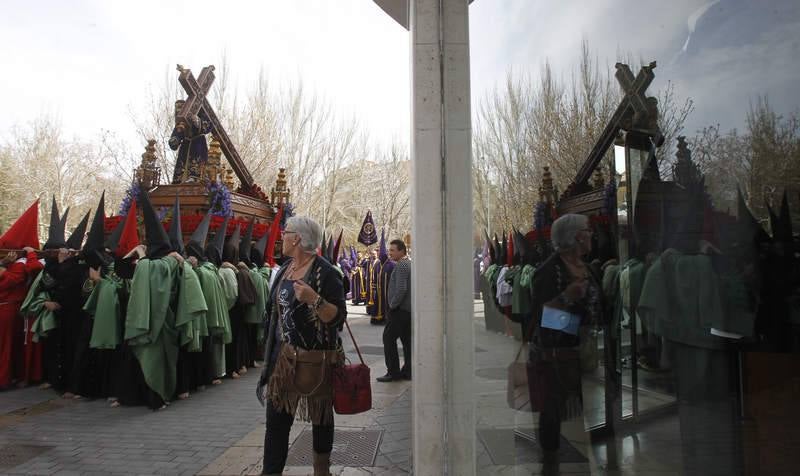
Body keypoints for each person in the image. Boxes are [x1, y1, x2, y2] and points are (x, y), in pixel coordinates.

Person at [256, 216, 347, 476]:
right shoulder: (284, 268)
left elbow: (338, 318)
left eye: (285, 233)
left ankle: (321, 470)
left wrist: (314, 299)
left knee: (321, 419)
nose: (281, 236)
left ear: (296, 239)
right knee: (276, 422)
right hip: (283, 359)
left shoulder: (327, 273)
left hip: (317, 360)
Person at [527, 214, 604, 465]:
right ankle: (551, 464)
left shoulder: (589, 267)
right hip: (556, 357)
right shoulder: (548, 272)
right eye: (587, 230)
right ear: (574, 237)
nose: (591, 234)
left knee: (590, 410)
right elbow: (541, 320)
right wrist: (566, 298)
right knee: (552, 414)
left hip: (585, 354)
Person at [377, 239, 412, 382]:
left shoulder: (402, 265)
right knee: (407, 341)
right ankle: (408, 371)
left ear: (402, 251)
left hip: (400, 310)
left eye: (392, 250)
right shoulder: (406, 263)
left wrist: (392, 305)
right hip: (406, 310)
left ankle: (393, 372)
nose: (389, 253)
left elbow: (402, 289)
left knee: (388, 338)